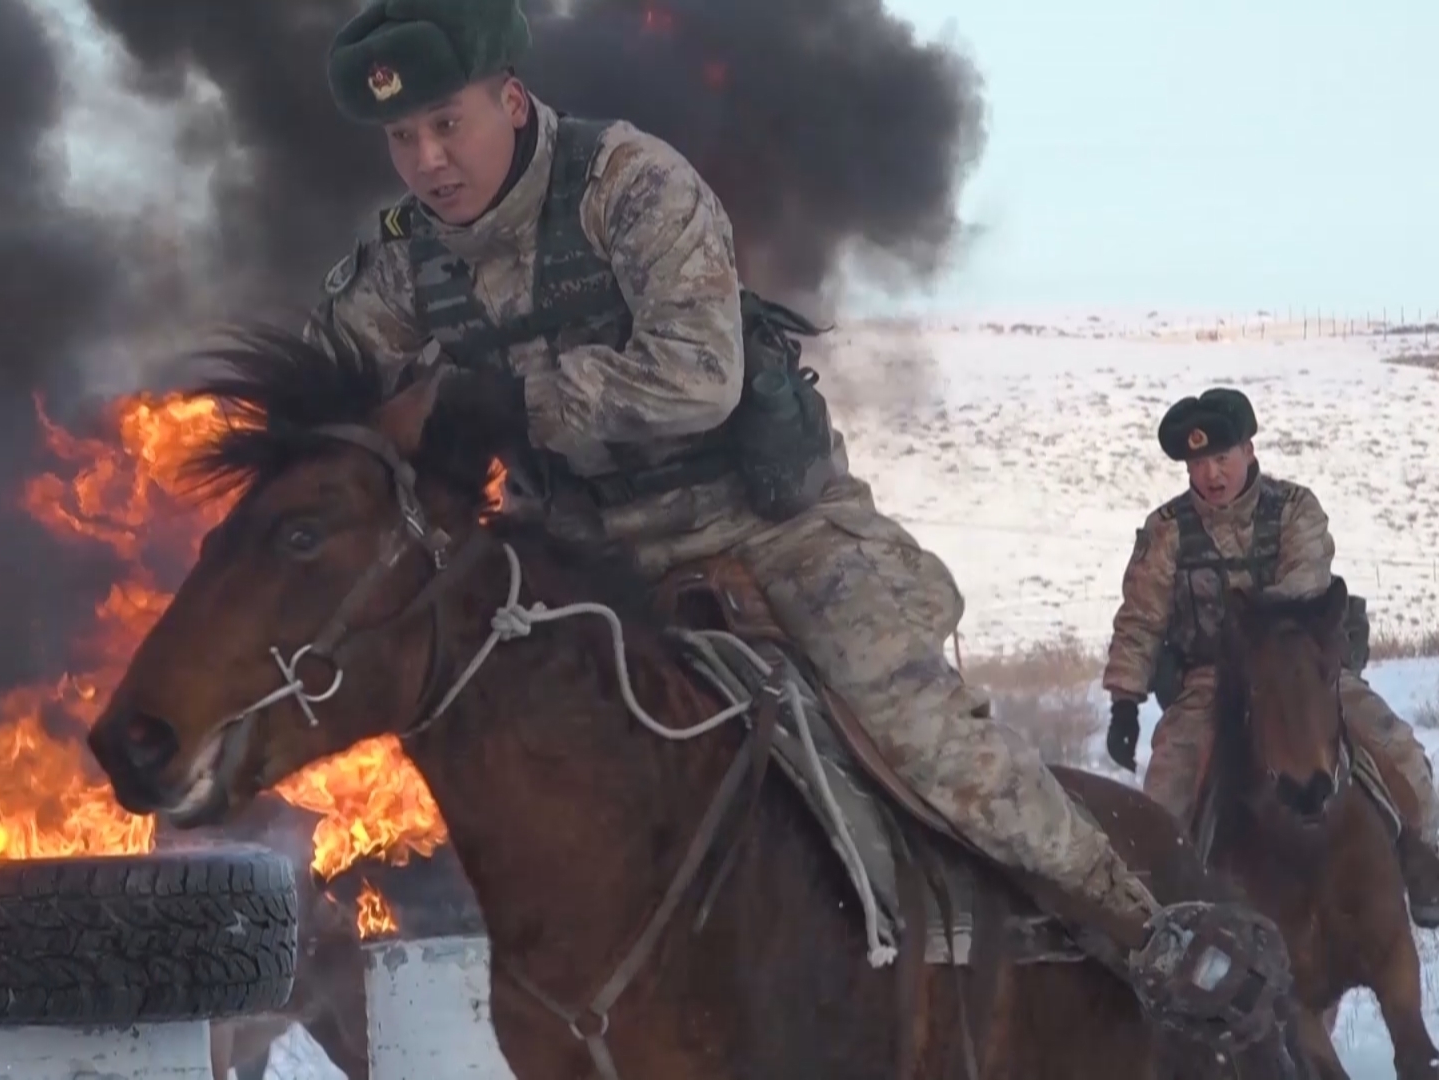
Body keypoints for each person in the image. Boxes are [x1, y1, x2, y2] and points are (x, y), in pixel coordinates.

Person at [303, 0, 1277, 1018]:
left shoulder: (627, 185)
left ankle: (1144, 931)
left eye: (446, 123)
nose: (427, 160)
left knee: (921, 734)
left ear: (508, 100)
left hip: (767, 529)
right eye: (402, 138)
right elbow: (330, 371)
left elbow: (696, 374)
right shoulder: (408, 255)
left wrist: (517, 401)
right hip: (585, 557)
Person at [1103, 387, 1439, 925]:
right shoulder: (1166, 530)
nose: (1211, 473)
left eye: (1222, 457)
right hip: (1211, 680)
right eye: (1198, 462)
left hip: (1302, 672)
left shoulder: (1294, 509)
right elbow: (1142, 616)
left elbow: (1309, 577)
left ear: (1249, 450)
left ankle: (1425, 863)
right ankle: (1158, 916)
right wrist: (1125, 700)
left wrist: (1251, 618)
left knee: (1397, 747)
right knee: (1165, 789)